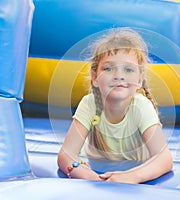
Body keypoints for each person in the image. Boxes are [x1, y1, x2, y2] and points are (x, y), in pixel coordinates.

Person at [57, 27, 173, 184]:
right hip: (98, 173)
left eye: (128, 69)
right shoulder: (89, 104)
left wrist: (131, 176)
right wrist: (89, 176)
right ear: (95, 77)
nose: (119, 76)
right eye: (108, 68)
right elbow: (66, 155)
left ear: (139, 80)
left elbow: (164, 159)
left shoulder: (141, 107)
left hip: (136, 174)